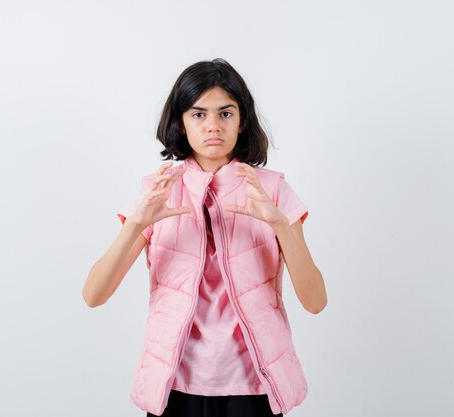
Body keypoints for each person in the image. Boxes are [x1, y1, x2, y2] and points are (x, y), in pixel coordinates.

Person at [82, 58, 327, 417]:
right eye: (198, 114)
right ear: (180, 122)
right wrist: (137, 224)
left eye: (225, 113)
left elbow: (315, 301)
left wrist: (279, 225)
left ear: (242, 121)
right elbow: (94, 295)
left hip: (255, 387)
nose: (213, 126)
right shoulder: (156, 191)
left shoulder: (272, 190)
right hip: (174, 385)